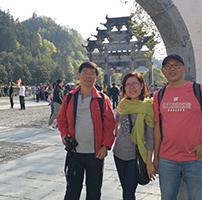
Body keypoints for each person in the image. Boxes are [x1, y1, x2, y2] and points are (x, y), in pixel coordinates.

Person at [153, 54, 202, 199]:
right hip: (167, 160)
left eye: (176, 65)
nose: (172, 68)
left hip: (195, 159)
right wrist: (156, 157)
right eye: (168, 66)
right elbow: (157, 127)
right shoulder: (159, 95)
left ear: (184, 68)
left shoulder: (199, 90)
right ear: (163, 71)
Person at [57, 61, 116, 200]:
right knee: (72, 191)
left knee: (94, 192)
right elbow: (61, 119)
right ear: (79, 75)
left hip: (95, 154)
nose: (88, 76)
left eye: (92, 73)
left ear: (96, 77)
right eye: (85, 72)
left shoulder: (102, 99)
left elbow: (110, 125)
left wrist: (105, 146)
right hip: (74, 152)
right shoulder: (70, 97)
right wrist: (64, 135)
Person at [113, 72, 155, 200]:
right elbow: (117, 122)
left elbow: (150, 137)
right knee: (126, 189)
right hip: (118, 153)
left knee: (129, 193)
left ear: (142, 86)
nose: (131, 87)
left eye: (135, 84)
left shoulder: (148, 106)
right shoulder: (123, 104)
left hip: (135, 155)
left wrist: (149, 161)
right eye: (128, 85)